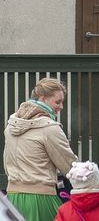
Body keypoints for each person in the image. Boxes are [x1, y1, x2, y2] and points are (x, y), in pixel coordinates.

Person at [3, 78, 78, 221]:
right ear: (42, 98)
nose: (61, 106)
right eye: (57, 102)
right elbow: (70, 167)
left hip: (12, 198)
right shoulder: (49, 128)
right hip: (41, 198)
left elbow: (8, 163)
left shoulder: (11, 126)